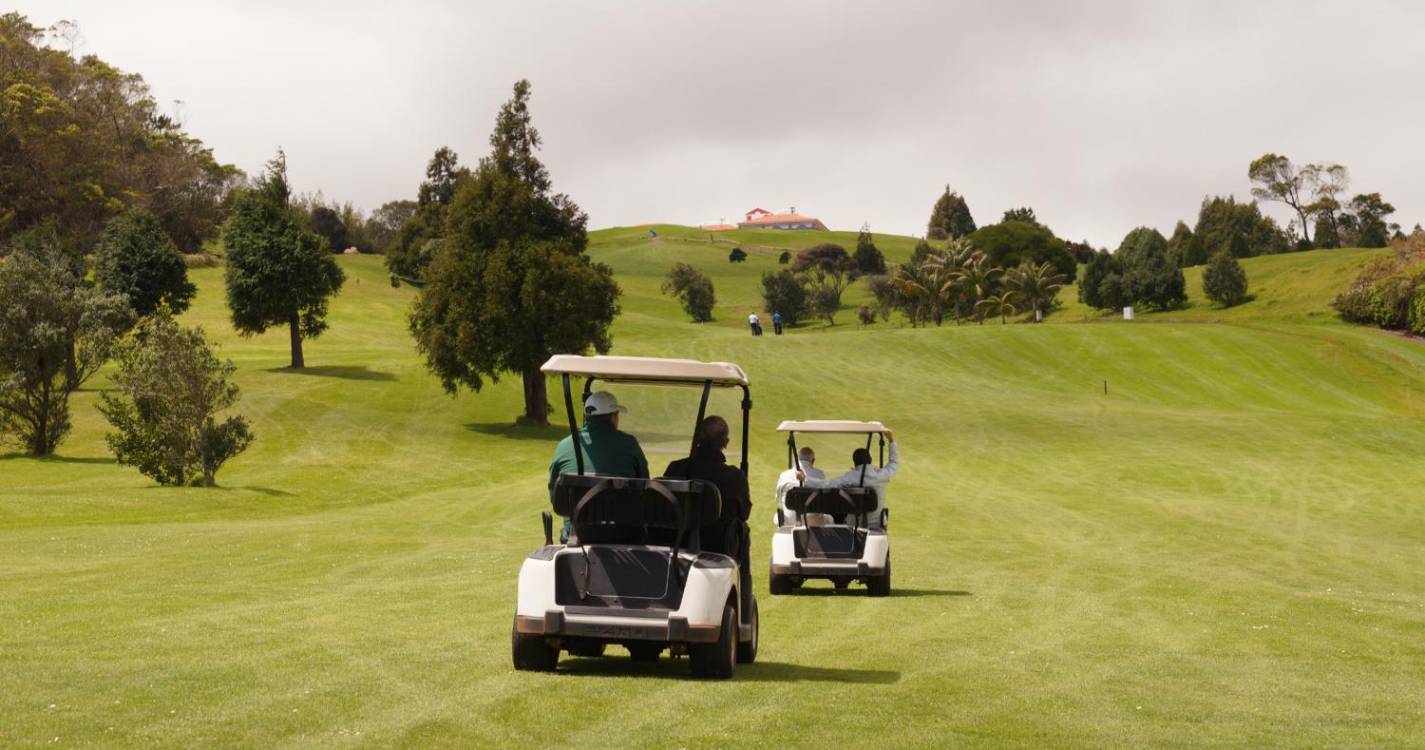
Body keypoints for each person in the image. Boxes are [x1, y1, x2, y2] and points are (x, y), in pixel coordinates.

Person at [663, 415, 753, 614]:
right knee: (744, 530)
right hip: (717, 543)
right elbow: (744, 513)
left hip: (677, 540)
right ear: (725, 443)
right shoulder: (734, 476)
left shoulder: (675, 468)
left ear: (697, 439)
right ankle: (744, 608)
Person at [548, 391, 649, 542]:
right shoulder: (629, 444)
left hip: (576, 536)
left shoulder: (564, 445)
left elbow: (554, 495)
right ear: (613, 416)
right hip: (624, 535)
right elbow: (644, 486)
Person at [796, 431, 899, 528]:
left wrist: (805, 479)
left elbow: (828, 484)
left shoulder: (851, 477)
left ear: (854, 463)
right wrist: (891, 440)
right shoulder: (882, 474)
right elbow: (893, 463)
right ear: (870, 460)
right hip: (876, 523)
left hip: (854, 523)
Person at [773, 446, 823, 526]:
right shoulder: (820, 474)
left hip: (789, 520)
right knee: (830, 518)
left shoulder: (784, 475)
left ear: (797, 459)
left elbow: (778, 498)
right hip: (813, 521)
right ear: (813, 461)